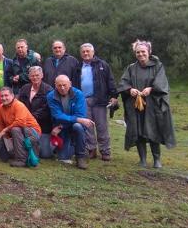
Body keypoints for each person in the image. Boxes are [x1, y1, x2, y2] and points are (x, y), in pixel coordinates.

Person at [118, 40, 175, 168]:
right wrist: (130, 89)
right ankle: (142, 160)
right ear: (135, 54)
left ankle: (157, 160)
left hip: (153, 105)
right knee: (138, 131)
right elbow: (123, 83)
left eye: (143, 51)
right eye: (138, 52)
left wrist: (151, 89)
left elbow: (162, 83)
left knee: (153, 131)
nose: (141, 54)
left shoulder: (158, 66)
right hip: (136, 106)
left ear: (149, 52)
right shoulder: (131, 68)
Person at [74, 43, 118, 161]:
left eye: (88, 51)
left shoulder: (103, 65)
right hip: (83, 100)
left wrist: (114, 95)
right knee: (87, 126)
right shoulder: (78, 67)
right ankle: (91, 149)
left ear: (93, 52)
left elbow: (110, 81)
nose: (86, 53)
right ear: (81, 53)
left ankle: (105, 151)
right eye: (83, 51)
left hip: (100, 99)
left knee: (101, 126)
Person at [47, 75, 94, 169]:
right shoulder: (51, 96)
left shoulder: (79, 94)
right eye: (59, 85)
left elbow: (80, 115)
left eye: (64, 85)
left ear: (70, 84)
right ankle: (71, 147)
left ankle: (80, 157)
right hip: (61, 127)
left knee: (78, 126)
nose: (62, 88)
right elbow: (57, 115)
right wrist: (63, 126)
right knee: (63, 157)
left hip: (70, 126)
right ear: (55, 85)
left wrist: (64, 124)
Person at [0, 87, 42, 167]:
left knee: (15, 129)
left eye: (6, 95)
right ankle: (19, 154)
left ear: (12, 95)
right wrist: (5, 138)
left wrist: (6, 130)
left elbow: (20, 122)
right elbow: (1, 125)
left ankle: (21, 160)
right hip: (18, 131)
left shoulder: (18, 105)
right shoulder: (0, 108)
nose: (4, 98)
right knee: (3, 155)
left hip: (33, 133)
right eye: (2, 96)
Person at [19, 66, 54, 158]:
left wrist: (30, 117)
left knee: (45, 154)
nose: (35, 78)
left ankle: (54, 144)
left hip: (43, 125)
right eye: (32, 76)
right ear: (29, 77)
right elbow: (19, 105)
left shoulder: (49, 90)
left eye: (37, 75)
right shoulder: (24, 88)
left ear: (42, 75)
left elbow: (46, 109)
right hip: (26, 123)